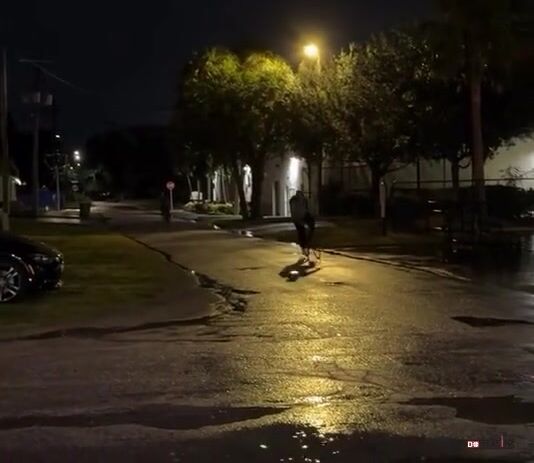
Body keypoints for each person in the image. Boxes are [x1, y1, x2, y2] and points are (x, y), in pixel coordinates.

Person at [289, 190, 316, 260]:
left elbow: (307, 209)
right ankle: (304, 247)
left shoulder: (303, 200)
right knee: (301, 232)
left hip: (303, 215)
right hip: (298, 218)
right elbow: (295, 213)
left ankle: (306, 244)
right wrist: (301, 222)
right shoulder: (294, 201)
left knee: (310, 226)